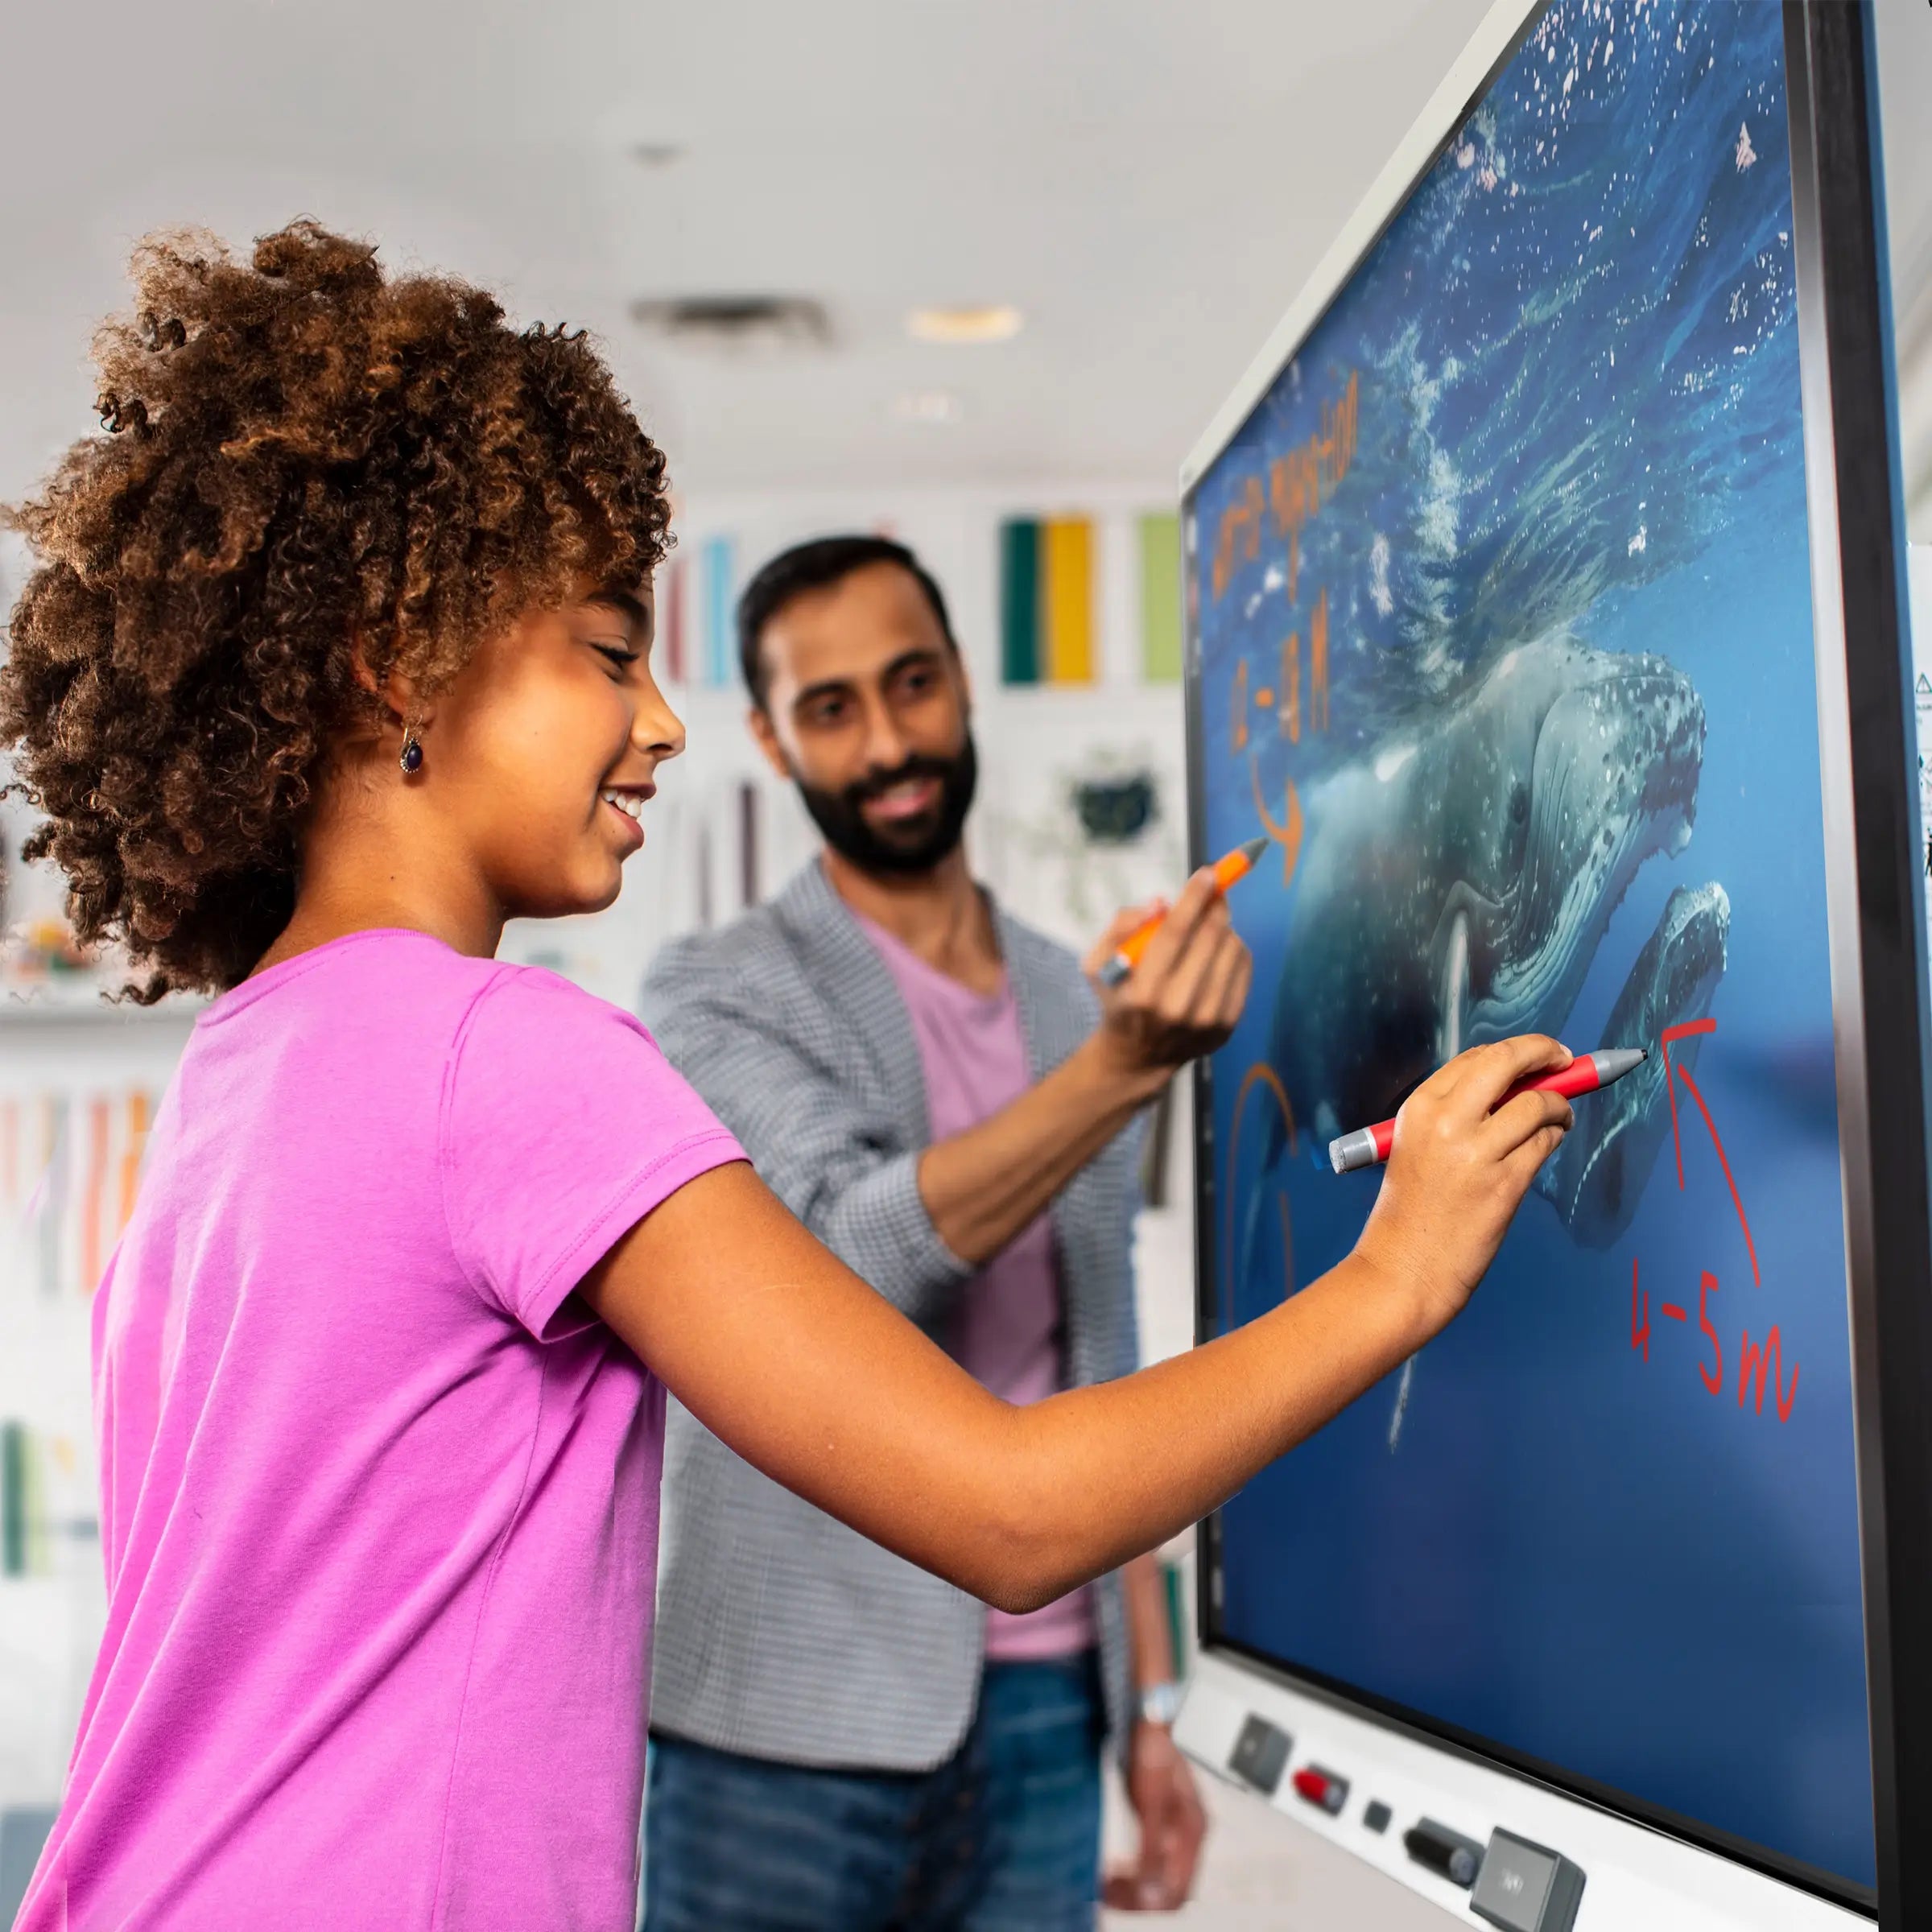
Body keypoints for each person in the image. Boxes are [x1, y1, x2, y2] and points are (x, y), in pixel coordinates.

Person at [0, 222, 1575, 1932]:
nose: (661, 722)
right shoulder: (506, 1054)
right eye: (610, 653)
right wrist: (1398, 1277)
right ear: (401, 657)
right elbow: (1008, 1507)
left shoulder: (244, 1066)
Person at [636, 534, 1225, 1928]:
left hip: (1044, 1714)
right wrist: (1120, 1074)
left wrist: (1152, 1706)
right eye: (831, 708)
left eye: (912, 684)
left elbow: (1105, 1364)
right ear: (771, 740)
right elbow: (850, 1258)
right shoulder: (714, 994)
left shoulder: (1073, 999)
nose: (889, 740)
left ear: (963, 683)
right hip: (782, 1721)